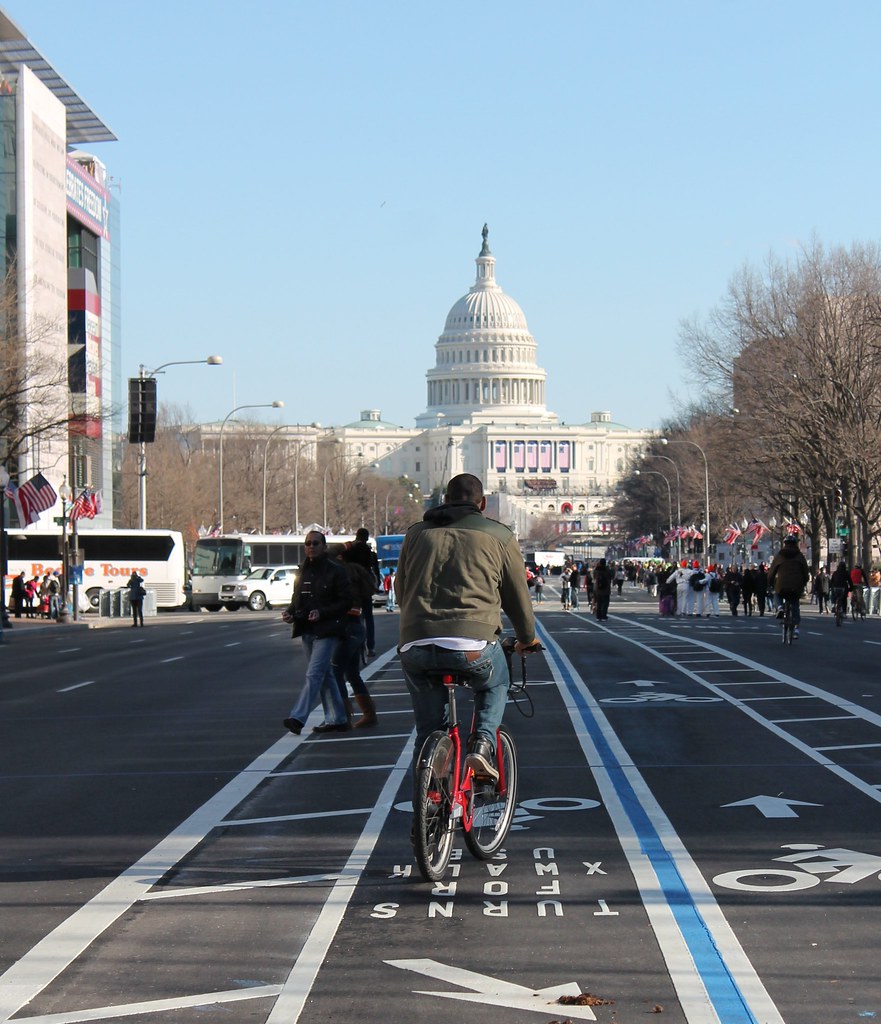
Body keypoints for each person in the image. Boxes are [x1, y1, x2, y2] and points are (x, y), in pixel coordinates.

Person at [395, 473, 540, 783]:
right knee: (495, 682)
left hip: (416, 645)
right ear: (482, 503)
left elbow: (401, 590)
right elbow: (517, 597)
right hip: (473, 645)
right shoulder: (499, 536)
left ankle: (429, 803)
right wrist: (527, 638)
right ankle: (483, 743)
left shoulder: (416, 533)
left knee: (428, 732)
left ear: (445, 500)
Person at [282, 530, 354, 735]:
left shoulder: (335, 570)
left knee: (314, 674)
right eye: (307, 543)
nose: (310, 547)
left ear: (324, 546)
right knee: (325, 675)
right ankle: (337, 718)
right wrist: (290, 613)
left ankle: (297, 718)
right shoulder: (303, 570)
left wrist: (322, 613)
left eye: (315, 543)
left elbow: (346, 600)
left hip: (328, 629)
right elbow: (298, 600)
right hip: (307, 629)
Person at [333, 546, 379, 728]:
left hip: (344, 625)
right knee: (352, 673)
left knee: (336, 671)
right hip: (356, 624)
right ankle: (369, 713)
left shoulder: (342, 572)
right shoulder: (361, 573)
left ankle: (343, 715)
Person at [346, 527, 382, 656]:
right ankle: (371, 646)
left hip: (352, 588)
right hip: (365, 587)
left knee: (353, 617)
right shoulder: (369, 552)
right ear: (366, 538)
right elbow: (376, 570)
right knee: (368, 617)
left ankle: (355, 642)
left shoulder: (349, 550)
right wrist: (377, 583)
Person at [767, 535, 810, 637]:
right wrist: (804, 582)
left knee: (777, 595)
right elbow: (805, 572)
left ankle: (780, 608)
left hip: (782, 584)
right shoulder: (800, 556)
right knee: (795, 605)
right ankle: (796, 628)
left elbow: (772, 572)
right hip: (796, 585)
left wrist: (770, 583)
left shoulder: (780, 555)